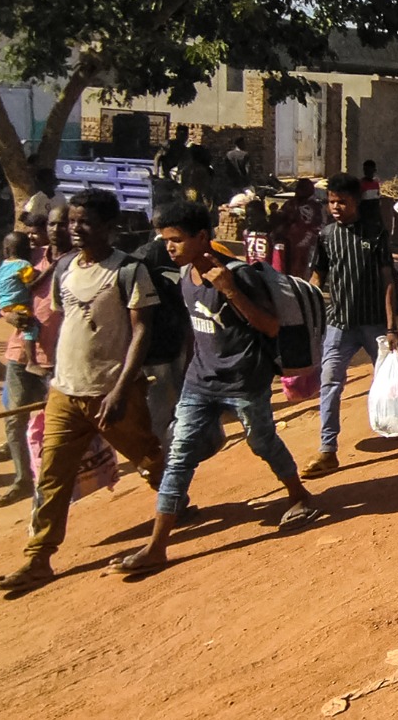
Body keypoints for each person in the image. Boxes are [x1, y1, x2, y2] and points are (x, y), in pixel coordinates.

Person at [110, 203, 319, 575]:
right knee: (178, 457)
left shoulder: (239, 276)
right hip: (199, 383)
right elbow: (196, 330)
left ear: (201, 238)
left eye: (176, 240)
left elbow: (270, 327)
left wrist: (229, 290)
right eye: (165, 240)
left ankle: (300, 495)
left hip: (244, 382)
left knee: (262, 442)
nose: (169, 247)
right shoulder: (184, 275)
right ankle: (157, 546)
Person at [0, 189, 165, 594]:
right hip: (65, 393)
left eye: (85, 222)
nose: (75, 229)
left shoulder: (129, 271)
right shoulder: (65, 268)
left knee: (147, 456)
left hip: (112, 393)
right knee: (51, 476)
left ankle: (174, 500)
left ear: (110, 227)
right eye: (72, 222)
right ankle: (38, 558)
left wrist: (121, 389)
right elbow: (63, 321)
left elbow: (142, 330)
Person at [301, 174, 398, 479]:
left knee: (388, 381)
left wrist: (392, 327)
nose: (335, 207)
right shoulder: (327, 236)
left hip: (374, 324)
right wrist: (308, 316)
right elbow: (317, 280)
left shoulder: (375, 233)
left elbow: (387, 281)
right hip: (339, 325)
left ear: (355, 202)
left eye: (341, 201)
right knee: (330, 382)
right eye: (331, 201)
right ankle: (327, 450)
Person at [0, 211, 68, 507]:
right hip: (21, 354)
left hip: (60, 356)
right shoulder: (27, 255)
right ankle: (22, 479)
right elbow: (4, 291)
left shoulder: (78, 260)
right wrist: (8, 313)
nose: (43, 232)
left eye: (54, 225)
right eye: (45, 225)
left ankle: (55, 479)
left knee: (58, 423)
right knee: (15, 419)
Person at [0, 232, 40, 371]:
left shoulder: (3, 266)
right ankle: (32, 361)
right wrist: (45, 272)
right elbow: (30, 283)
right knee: (30, 328)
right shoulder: (23, 265)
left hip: (3, 302)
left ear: (6, 251)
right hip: (18, 303)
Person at [275, 178, 324, 279]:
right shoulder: (290, 204)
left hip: (308, 244)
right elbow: (281, 220)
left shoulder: (316, 207)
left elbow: (318, 226)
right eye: (298, 188)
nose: (299, 191)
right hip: (289, 243)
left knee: (304, 273)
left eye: (302, 188)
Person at [359, 160, 384, 230]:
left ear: (374, 170)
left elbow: (377, 201)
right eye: (365, 170)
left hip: (374, 215)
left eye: (369, 170)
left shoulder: (376, 184)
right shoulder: (361, 184)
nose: (367, 172)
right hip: (365, 215)